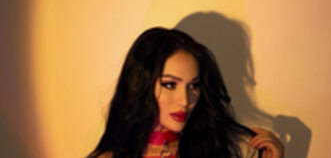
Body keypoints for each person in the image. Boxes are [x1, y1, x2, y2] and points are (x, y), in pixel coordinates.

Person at [87, 27, 284, 158]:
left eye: (194, 86)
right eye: (170, 85)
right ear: (140, 85)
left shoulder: (230, 148)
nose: (185, 100)